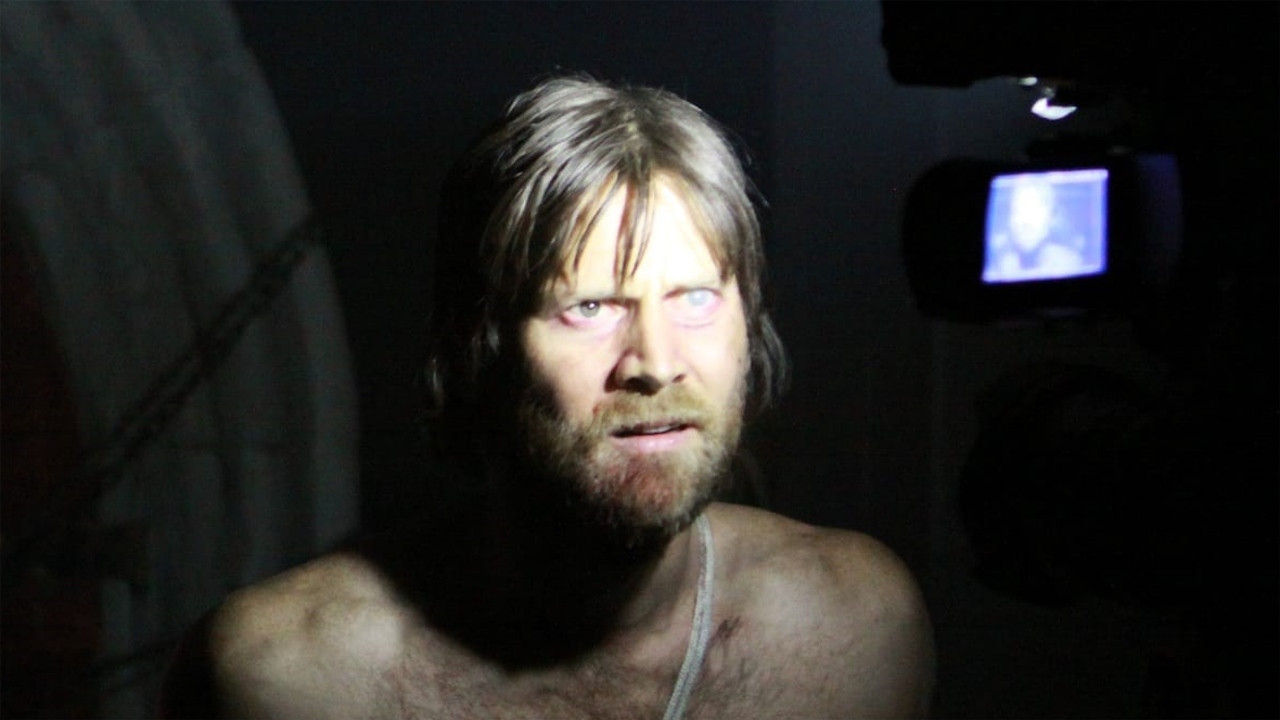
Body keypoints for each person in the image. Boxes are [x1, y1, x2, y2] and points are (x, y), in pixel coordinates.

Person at [160, 75, 934, 719]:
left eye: (695, 299)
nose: (655, 364)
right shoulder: (284, 677)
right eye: (590, 308)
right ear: (480, 347)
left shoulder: (857, 628)